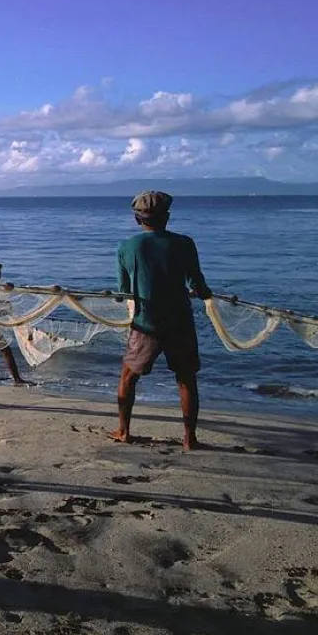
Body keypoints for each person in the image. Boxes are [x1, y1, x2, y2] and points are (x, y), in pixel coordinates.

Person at [112, 190, 212, 452]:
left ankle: (124, 431)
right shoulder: (185, 243)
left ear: (137, 219)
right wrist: (202, 293)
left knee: (128, 377)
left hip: (146, 323)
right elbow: (198, 285)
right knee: (186, 378)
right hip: (180, 321)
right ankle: (190, 438)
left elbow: (123, 293)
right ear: (167, 217)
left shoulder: (127, 247)